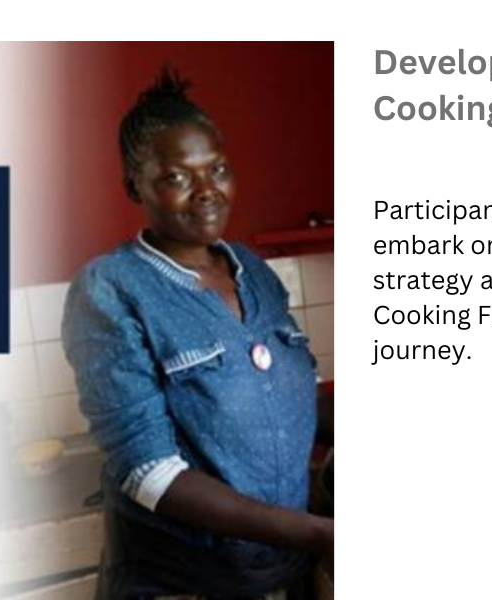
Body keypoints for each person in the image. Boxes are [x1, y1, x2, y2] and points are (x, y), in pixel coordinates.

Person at [62, 68, 331, 600]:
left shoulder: (252, 271)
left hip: (278, 574)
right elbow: (150, 473)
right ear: (134, 183)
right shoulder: (110, 288)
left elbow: (288, 396)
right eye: (178, 176)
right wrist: (321, 532)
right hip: (183, 583)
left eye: (218, 169)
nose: (207, 191)